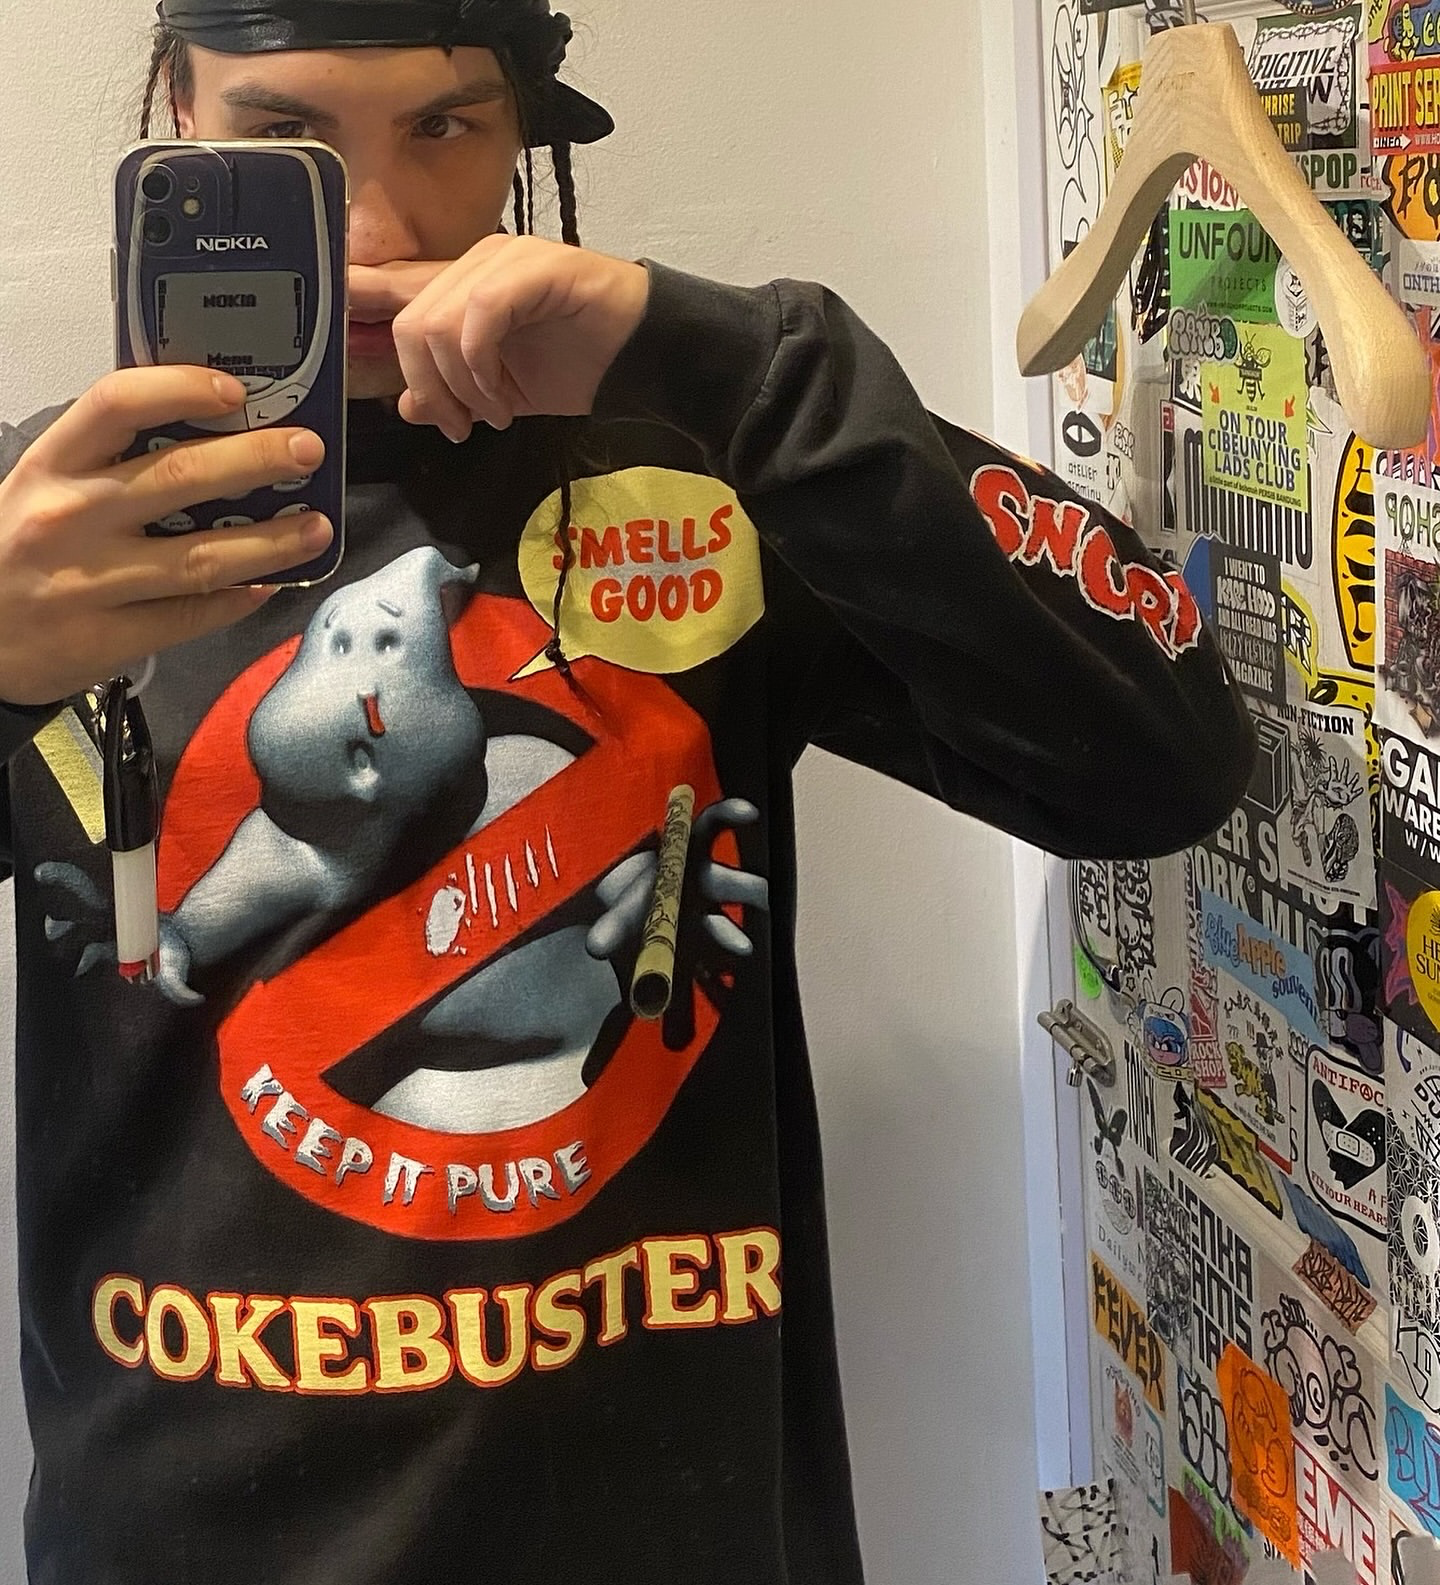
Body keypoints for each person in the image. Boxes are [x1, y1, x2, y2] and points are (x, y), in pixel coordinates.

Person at [0, 1, 1255, 1579]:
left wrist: (728, 364)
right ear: (177, 114)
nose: (377, 229)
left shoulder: (700, 472)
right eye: (285, 135)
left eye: (444, 127)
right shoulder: (46, 541)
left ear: (524, 134)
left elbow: (1166, 760)